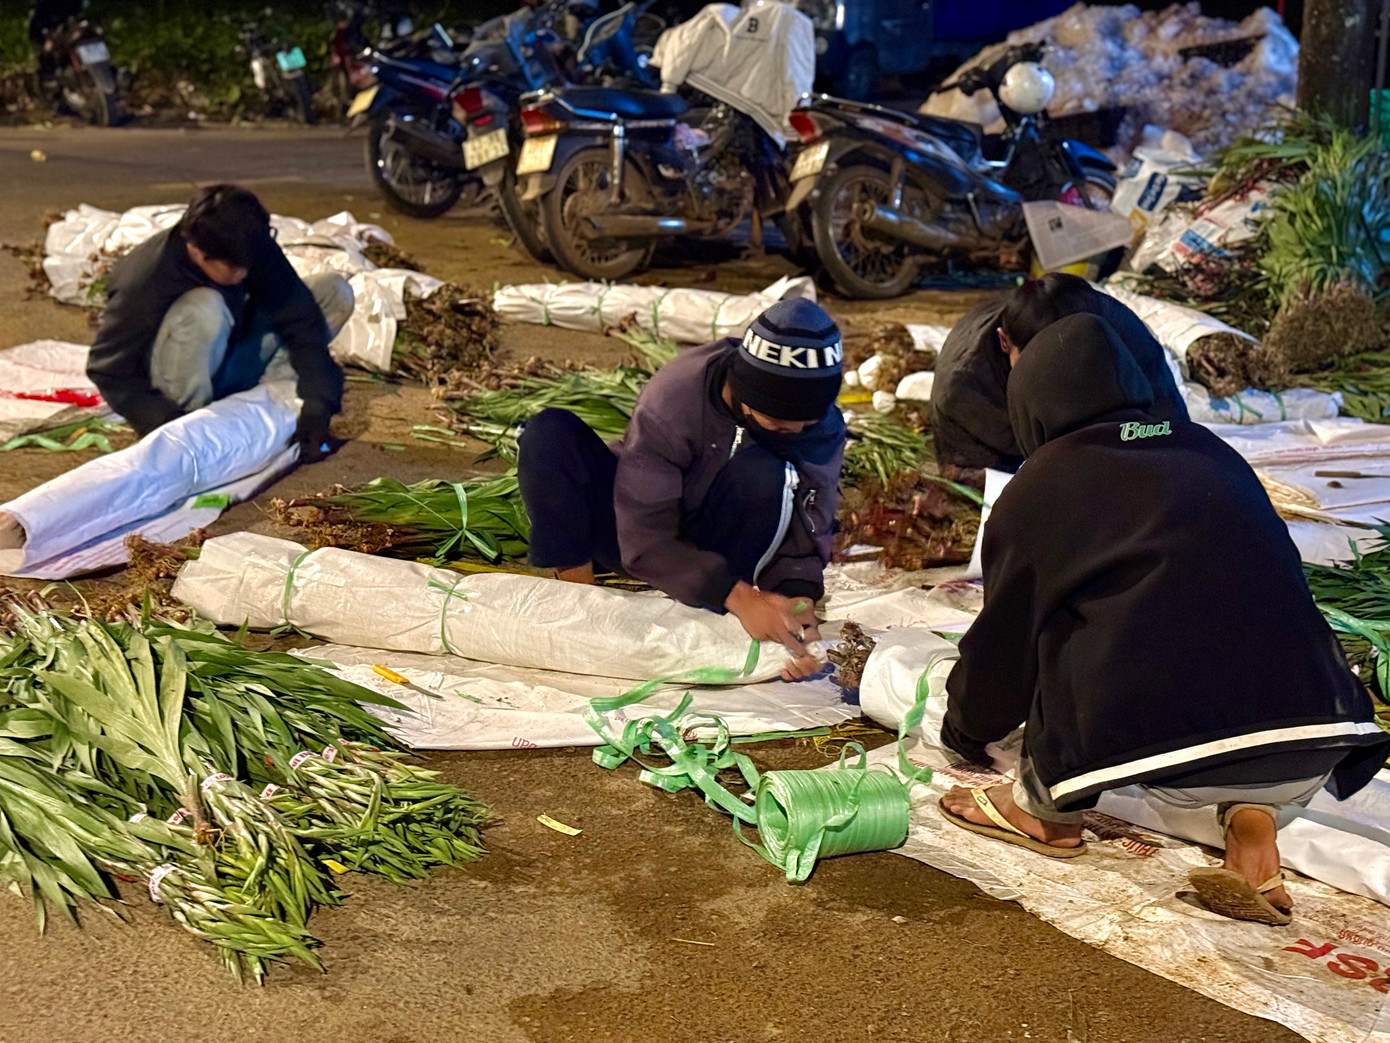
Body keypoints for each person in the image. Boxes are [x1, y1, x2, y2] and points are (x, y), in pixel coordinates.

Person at [937, 313, 1390, 926]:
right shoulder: (1213, 450)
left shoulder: (1041, 484)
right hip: (1314, 739)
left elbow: (1004, 646)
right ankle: (1253, 828)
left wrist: (964, 729)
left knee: (1063, 625)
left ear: (1033, 406)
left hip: (1161, 747)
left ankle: (1042, 813)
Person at [516, 298, 846, 681]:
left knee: (765, 472)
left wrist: (798, 606)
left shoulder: (818, 424)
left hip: (721, 546)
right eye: (777, 420)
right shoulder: (677, 397)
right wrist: (743, 598)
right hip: (634, 532)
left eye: (808, 422)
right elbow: (644, 537)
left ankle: (720, 601)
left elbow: (809, 525)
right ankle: (582, 607)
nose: (797, 430)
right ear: (743, 392)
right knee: (549, 435)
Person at [86, 185, 353, 462]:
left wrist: (318, 402)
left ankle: (276, 405)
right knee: (205, 307)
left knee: (333, 290)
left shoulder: (248, 243)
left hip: (233, 357)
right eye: (234, 268)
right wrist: (164, 423)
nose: (244, 273)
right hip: (176, 383)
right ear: (199, 253)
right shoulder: (147, 277)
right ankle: (196, 423)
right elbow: (108, 368)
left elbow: (300, 318)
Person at [930, 272, 1189, 473]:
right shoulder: (964, 387)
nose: (1058, 378)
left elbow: (1168, 422)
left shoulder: (1111, 325)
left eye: (1074, 357)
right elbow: (979, 482)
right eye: (1040, 367)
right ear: (1004, 342)